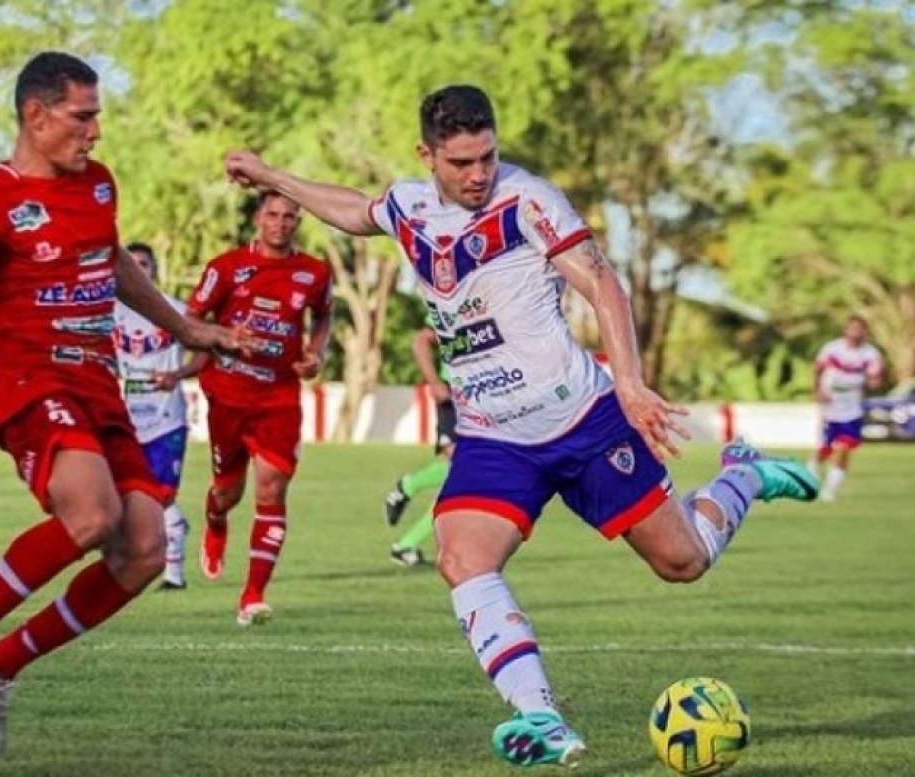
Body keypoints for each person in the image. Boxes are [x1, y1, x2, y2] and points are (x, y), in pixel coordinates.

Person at [223, 84, 820, 769]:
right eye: (460, 162)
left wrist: (629, 384)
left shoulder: (526, 200)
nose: (478, 174)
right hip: (493, 436)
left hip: (583, 419)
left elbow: (601, 282)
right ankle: (543, 717)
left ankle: (745, 471)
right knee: (460, 556)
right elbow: (356, 211)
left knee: (682, 561)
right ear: (427, 155)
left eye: (487, 156)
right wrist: (272, 177)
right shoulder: (408, 206)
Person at [0, 51, 245, 760]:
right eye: (84, 116)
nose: (96, 131)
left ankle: (4, 661)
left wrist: (184, 326)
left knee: (145, 549)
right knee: (91, 515)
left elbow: (109, 262)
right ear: (37, 115)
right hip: (32, 387)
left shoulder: (98, 187)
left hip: (99, 389)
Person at [173, 192, 332, 626]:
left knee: (272, 489)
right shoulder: (225, 268)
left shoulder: (314, 273)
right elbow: (188, 323)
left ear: (298, 221)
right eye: (273, 215)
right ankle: (215, 522)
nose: (281, 223)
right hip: (227, 395)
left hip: (278, 399)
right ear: (259, 218)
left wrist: (316, 355)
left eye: (289, 217)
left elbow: (323, 318)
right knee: (228, 492)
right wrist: (224, 336)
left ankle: (253, 595)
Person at [114, 242, 196, 590]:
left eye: (144, 264)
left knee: (162, 496)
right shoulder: (107, 314)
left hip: (166, 417)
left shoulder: (174, 311)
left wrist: (177, 375)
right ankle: (134, 555)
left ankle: (173, 573)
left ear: (154, 271)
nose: (138, 270)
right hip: (122, 417)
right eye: (131, 264)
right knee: (123, 495)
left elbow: (207, 350)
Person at [384, 327, 455, 567]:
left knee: (464, 472)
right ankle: (406, 545)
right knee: (461, 473)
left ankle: (407, 487)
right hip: (453, 395)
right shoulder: (454, 301)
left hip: (481, 397)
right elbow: (421, 340)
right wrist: (434, 382)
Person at [808, 315, 884, 502]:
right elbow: (817, 369)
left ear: (865, 332)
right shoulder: (832, 349)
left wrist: (874, 382)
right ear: (846, 330)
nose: (856, 333)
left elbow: (876, 377)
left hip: (852, 408)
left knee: (845, 447)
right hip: (831, 405)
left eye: (860, 329)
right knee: (825, 448)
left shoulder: (871, 354)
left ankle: (830, 490)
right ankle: (812, 466)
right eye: (853, 328)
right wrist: (817, 389)